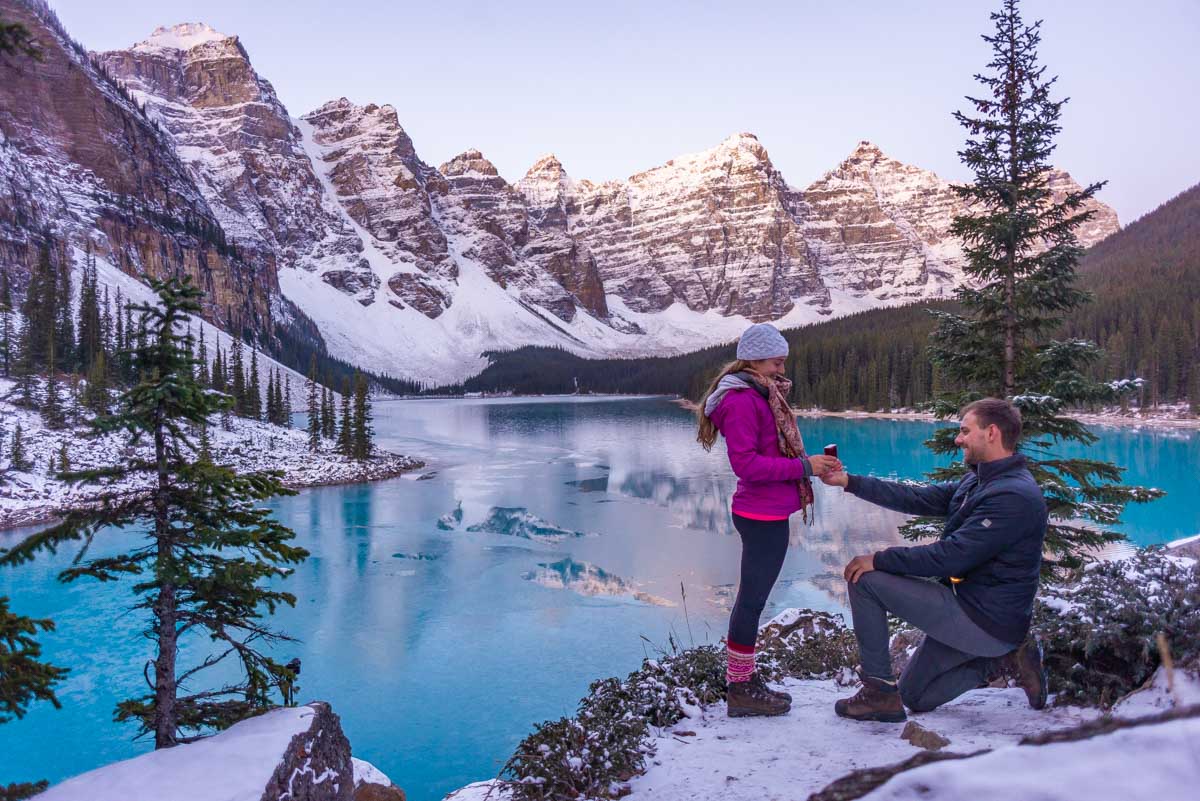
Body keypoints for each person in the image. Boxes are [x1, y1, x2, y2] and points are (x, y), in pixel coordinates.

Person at [821, 398, 1049, 722]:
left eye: (965, 431)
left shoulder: (1013, 496)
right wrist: (851, 482)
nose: (958, 439)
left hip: (984, 619)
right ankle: (1005, 660)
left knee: (866, 579)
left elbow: (950, 558)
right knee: (916, 695)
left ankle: (877, 693)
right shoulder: (980, 480)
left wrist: (880, 559)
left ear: (992, 433)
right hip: (972, 608)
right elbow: (918, 497)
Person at [697, 322, 843, 717]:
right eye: (776, 358)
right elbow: (746, 465)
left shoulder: (762, 394)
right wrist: (804, 467)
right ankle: (741, 689)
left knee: (754, 599)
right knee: (751, 601)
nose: (783, 364)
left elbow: (768, 455)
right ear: (755, 358)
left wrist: (810, 466)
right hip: (759, 514)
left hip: (768, 511)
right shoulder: (743, 400)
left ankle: (745, 679)